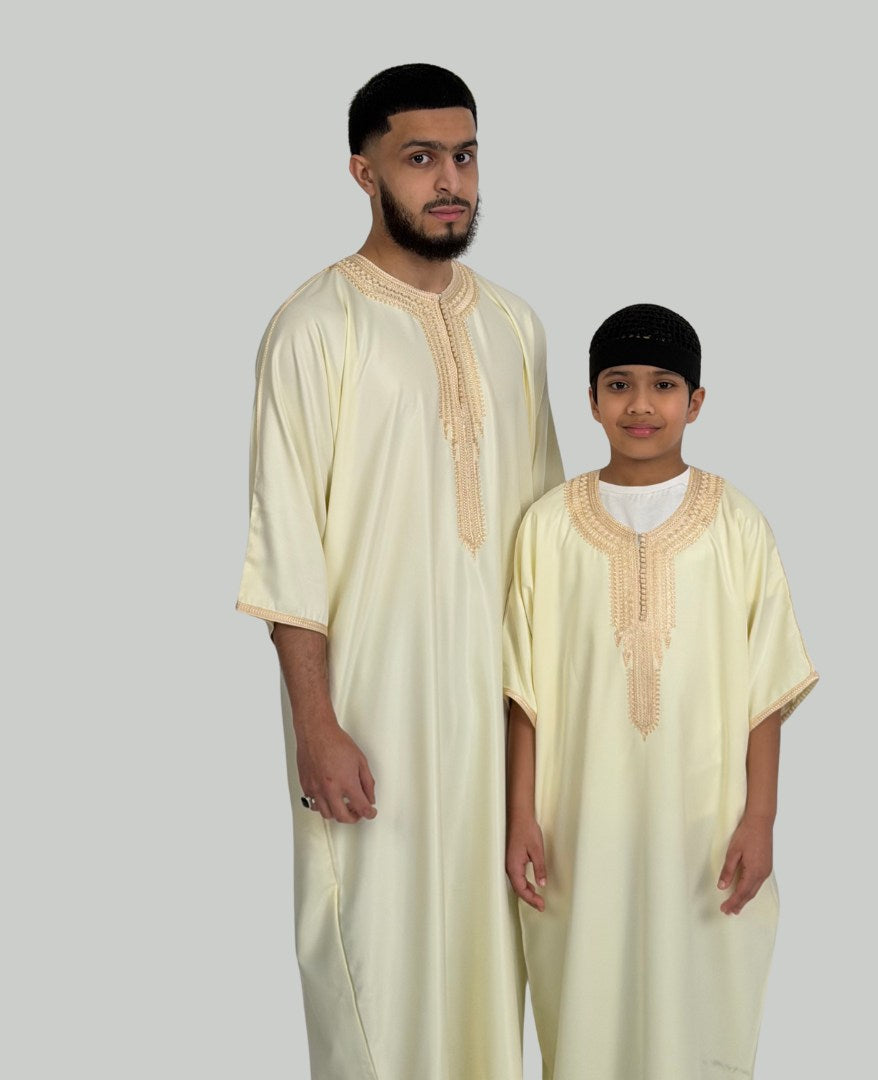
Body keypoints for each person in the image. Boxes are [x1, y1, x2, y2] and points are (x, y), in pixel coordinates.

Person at [236, 63, 562, 1080]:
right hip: (369, 724)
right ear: (363, 171)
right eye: (420, 158)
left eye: (464, 156)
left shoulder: (514, 327)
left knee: (487, 984)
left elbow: (546, 545)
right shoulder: (315, 326)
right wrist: (317, 726)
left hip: (492, 728)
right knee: (371, 983)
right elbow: (287, 542)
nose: (449, 180)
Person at [503, 303, 817, 1079]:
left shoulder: (737, 524)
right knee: (586, 1002)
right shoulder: (548, 527)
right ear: (590, 399)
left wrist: (762, 819)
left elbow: (768, 689)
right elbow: (523, 692)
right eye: (619, 384)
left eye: (663, 385)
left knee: (698, 1004)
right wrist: (520, 816)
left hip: (704, 824)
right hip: (579, 824)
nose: (640, 404)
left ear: (696, 401)